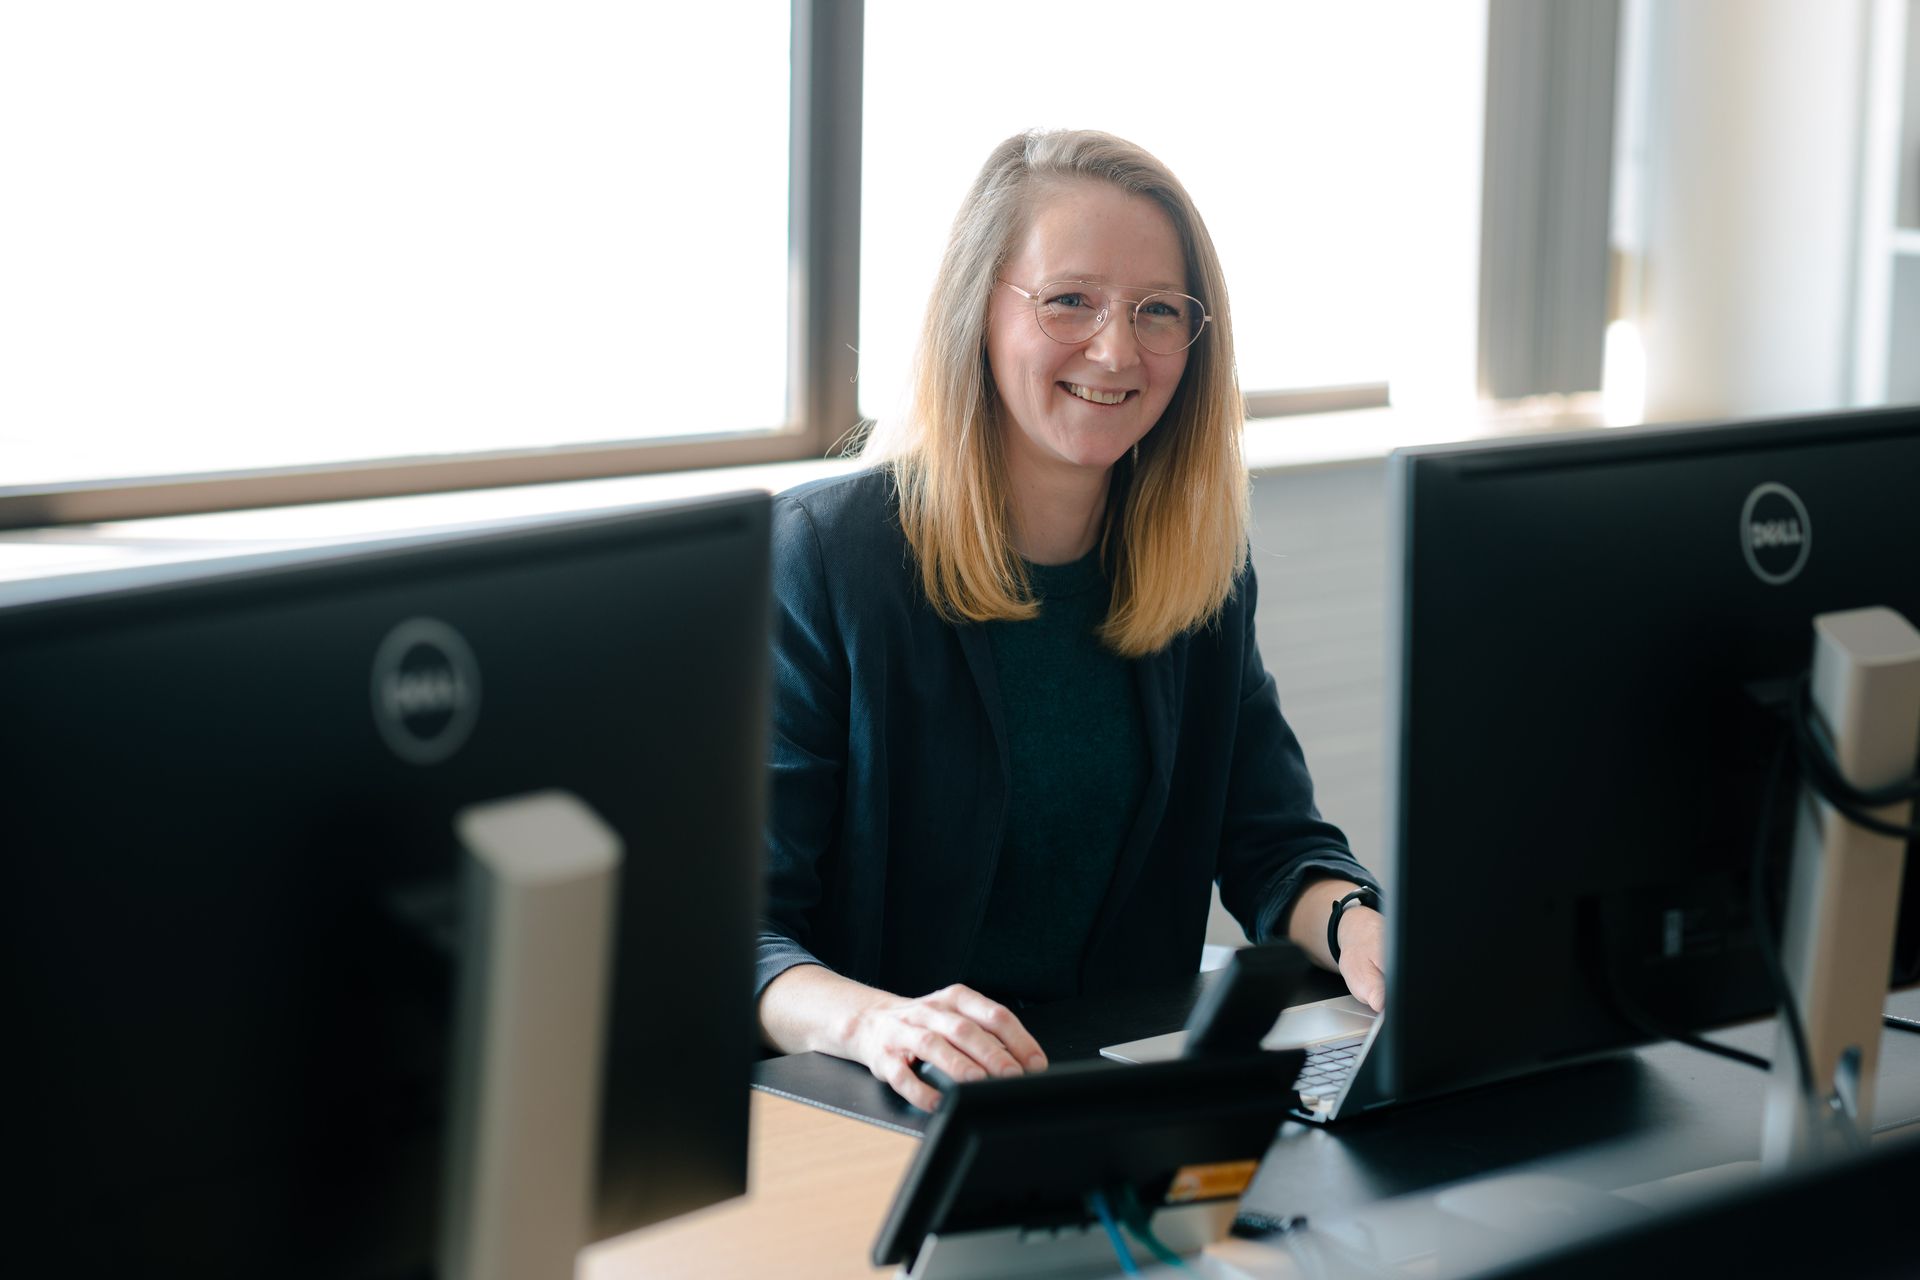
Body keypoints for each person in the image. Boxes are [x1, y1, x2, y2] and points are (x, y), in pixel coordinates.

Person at [756, 128, 1383, 1111]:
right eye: (1069, 300)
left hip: (1116, 1101)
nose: (1116, 349)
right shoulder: (824, 558)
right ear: (978, 312)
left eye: (1157, 310)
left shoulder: (1198, 565)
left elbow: (1272, 843)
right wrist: (875, 1022)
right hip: (889, 1102)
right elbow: (744, 932)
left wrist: (1357, 924)